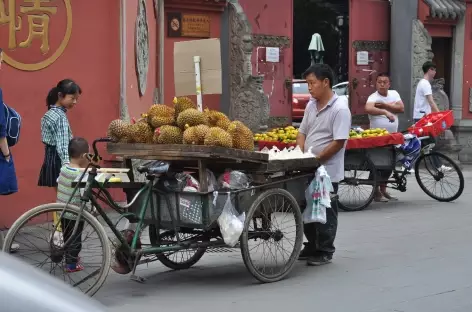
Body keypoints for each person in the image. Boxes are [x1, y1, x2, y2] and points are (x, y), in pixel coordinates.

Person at [296, 64, 351, 266]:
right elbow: (302, 132)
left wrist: (317, 160)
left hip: (327, 170)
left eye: (312, 83)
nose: (309, 88)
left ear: (325, 82)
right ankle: (311, 244)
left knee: (325, 208)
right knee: (307, 206)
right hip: (308, 166)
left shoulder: (340, 109)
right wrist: (300, 154)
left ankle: (325, 250)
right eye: (307, 83)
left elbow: (338, 142)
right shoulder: (311, 105)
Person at [38, 79, 82, 241]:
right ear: (60, 95)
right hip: (59, 159)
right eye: (72, 98)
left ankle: (58, 232)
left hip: (50, 157)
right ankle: (60, 234)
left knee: (59, 199)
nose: (75, 102)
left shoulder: (49, 113)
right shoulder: (60, 117)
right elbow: (63, 145)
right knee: (64, 201)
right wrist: (67, 167)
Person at [365, 73, 404, 202]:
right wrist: (385, 112)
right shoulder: (373, 97)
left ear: (389, 84)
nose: (382, 84)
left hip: (391, 137)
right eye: (379, 82)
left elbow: (401, 108)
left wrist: (386, 106)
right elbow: (368, 108)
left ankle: (383, 189)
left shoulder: (394, 94)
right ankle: (376, 192)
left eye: (384, 82)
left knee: (389, 165)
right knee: (377, 164)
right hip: (378, 138)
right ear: (376, 84)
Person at [56, 137, 91, 272]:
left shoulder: (64, 168)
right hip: (75, 213)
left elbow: (58, 180)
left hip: (62, 210)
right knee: (76, 238)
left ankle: (69, 258)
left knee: (67, 235)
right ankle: (71, 264)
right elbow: (85, 192)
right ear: (84, 156)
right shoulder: (81, 174)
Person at [413, 61, 450, 171]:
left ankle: (436, 166)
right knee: (430, 142)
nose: (435, 72)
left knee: (424, 144)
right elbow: (431, 101)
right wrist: (440, 115)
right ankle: (438, 166)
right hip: (422, 118)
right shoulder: (425, 84)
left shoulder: (422, 83)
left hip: (422, 117)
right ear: (429, 70)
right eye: (434, 70)